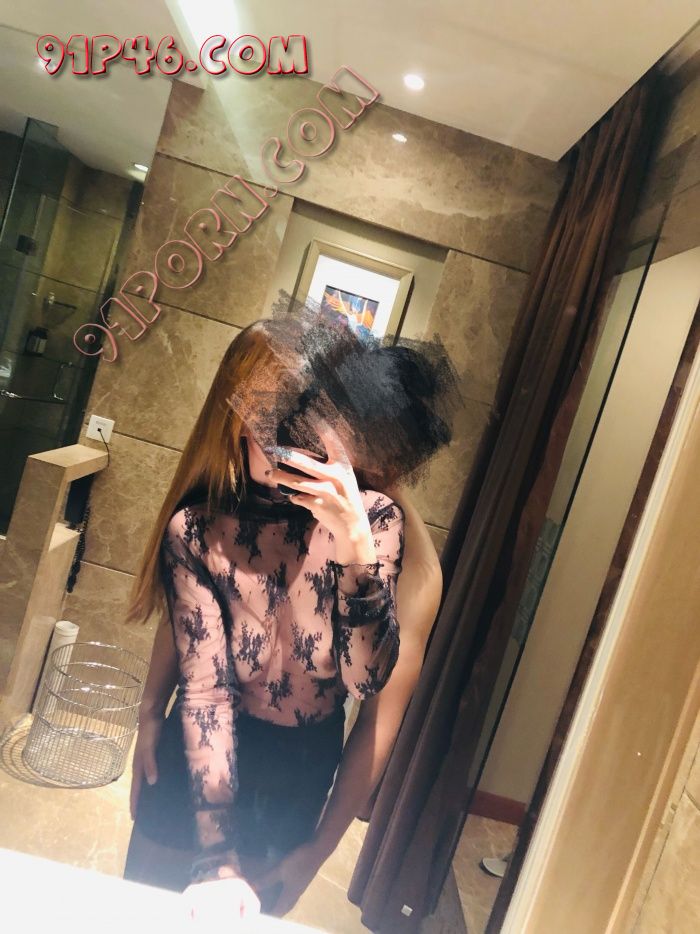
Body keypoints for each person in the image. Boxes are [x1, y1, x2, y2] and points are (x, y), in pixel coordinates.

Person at [123, 306, 460, 921]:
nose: (287, 443)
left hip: (293, 780)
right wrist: (150, 711)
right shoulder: (202, 524)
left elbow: (374, 704)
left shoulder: (386, 533)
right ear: (235, 421)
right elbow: (199, 664)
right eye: (268, 419)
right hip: (194, 762)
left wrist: (315, 852)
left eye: (305, 418)